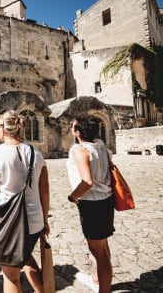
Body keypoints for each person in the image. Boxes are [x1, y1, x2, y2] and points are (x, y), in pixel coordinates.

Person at [0, 110, 50, 293]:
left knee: (11, 276)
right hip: (34, 221)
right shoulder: (37, 153)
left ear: (3, 129)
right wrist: (45, 220)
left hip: (8, 224)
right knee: (25, 257)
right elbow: (44, 190)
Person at [66, 113, 115, 293]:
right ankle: (97, 278)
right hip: (106, 200)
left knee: (98, 252)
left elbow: (87, 181)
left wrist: (72, 197)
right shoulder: (101, 146)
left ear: (78, 132)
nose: (71, 129)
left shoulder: (80, 150)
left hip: (92, 204)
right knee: (102, 244)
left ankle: (104, 289)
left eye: (73, 127)